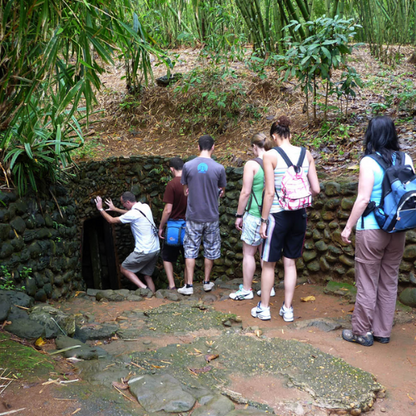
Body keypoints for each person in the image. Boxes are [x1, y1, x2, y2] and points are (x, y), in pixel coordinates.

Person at [340, 116, 413, 346]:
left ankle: (362, 331)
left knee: (367, 281)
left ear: (371, 135)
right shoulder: (407, 158)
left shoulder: (368, 162)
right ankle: (382, 331)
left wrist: (348, 227)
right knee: (389, 280)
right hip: (398, 227)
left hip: (372, 228)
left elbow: (363, 200)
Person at [251, 116, 320, 321]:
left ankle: (264, 308)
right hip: (299, 215)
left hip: (277, 216)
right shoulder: (305, 153)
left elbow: (269, 193)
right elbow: (315, 189)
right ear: (290, 134)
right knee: (290, 263)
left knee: (269, 263)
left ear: (274, 136)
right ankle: (288, 309)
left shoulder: (270, 156)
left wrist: (263, 221)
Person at [178, 134, 227, 295]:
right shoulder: (219, 168)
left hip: (193, 215)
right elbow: (222, 191)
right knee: (210, 249)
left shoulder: (187, 166)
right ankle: (206, 282)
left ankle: (189, 285)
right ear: (213, 147)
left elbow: (185, 188)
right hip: (211, 215)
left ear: (198, 147)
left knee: (190, 249)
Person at [230, 132, 276, 300]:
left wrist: (239, 214)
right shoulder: (275, 161)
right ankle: (268, 288)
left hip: (255, 214)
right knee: (266, 253)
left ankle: (247, 289)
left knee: (249, 253)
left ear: (255, 147)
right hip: (272, 215)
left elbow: (245, 192)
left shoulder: (252, 165)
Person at [95, 192, 160, 292]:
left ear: (128, 202)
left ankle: (145, 289)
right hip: (155, 249)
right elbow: (130, 214)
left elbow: (111, 220)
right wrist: (115, 209)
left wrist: (100, 209)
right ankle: (154, 296)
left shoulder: (133, 214)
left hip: (144, 250)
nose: (123, 206)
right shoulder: (145, 207)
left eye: (123, 204)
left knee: (124, 268)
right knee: (147, 276)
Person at [158, 157, 188, 290]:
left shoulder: (171, 184)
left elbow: (168, 209)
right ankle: (188, 284)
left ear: (172, 169)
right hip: (189, 226)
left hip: (173, 227)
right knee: (188, 256)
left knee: (167, 257)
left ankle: (172, 285)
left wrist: (160, 226)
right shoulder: (190, 183)